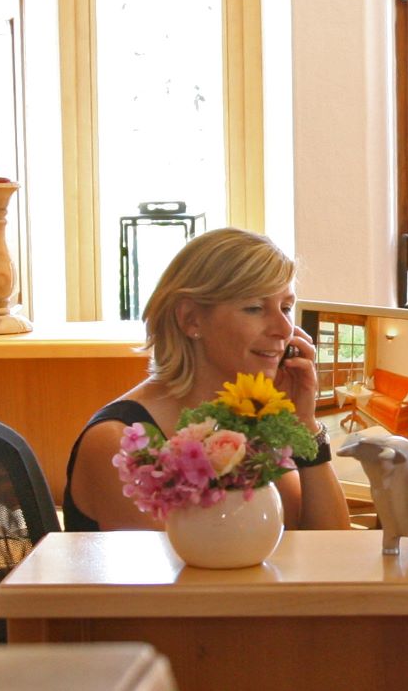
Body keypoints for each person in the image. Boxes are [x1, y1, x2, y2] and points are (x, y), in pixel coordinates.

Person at [61, 226, 351, 533]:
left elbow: (330, 546)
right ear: (190, 319)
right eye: (255, 308)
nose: (283, 329)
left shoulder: (250, 421)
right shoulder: (119, 439)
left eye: (286, 308)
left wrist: (305, 425)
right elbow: (175, 563)